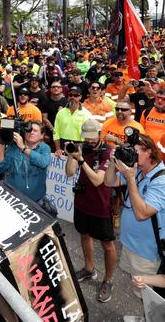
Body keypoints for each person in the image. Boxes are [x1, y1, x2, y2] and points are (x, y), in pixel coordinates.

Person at [104, 134, 165, 298]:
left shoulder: (164, 181)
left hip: (146, 252)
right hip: (129, 243)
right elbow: (109, 182)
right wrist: (112, 163)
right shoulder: (138, 170)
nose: (132, 156)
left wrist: (130, 178)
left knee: (145, 296)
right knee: (135, 286)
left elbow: (142, 214)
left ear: (150, 152)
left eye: (136, 152)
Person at [65, 119, 116, 303]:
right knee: (84, 234)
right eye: (86, 138)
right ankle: (89, 269)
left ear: (100, 133)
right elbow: (70, 173)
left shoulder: (107, 151)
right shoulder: (81, 147)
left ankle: (109, 280)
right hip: (82, 202)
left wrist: (80, 160)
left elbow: (97, 180)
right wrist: (71, 155)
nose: (89, 141)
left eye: (93, 137)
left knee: (107, 244)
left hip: (101, 205)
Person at [0, 120, 51, 210]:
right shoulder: (13, 147)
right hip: (13, 200)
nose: (31, 132)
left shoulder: (44, 148)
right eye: (28, 130)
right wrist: (1, 149)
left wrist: (22, 147)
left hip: (36, 202)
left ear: (42, 136)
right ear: (24, 133)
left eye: (35, 130)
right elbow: (1, 168)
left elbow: (43, 162)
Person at [53, 86, 92, 156]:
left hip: (80, 145)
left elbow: (89, 135)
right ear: (67, 97)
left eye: (76, 95)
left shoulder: (87, 114)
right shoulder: (60, 113)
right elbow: (56, 132)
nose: (72, 97)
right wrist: (58, 148)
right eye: (70, 95)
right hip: (63, 144)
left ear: (80, 97)